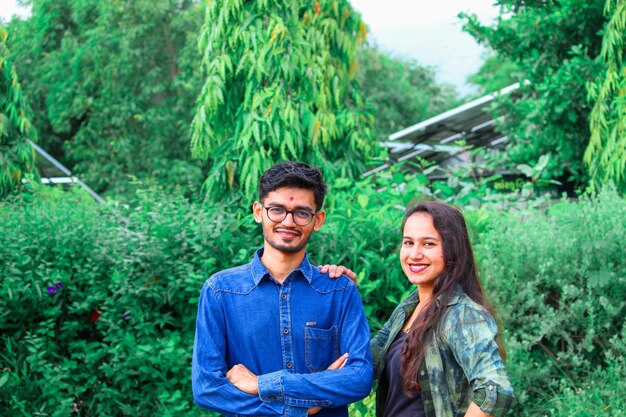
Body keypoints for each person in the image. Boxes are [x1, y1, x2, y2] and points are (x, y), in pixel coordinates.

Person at [192, 161, 373, 417]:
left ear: (317, 219)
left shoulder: (339, 291)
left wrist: (261, 385)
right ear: (258, 211)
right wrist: (299, 409)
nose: (288, 222)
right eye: (277, 210)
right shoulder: (221, 292)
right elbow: (207, 389)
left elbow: (359, 378)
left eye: (301, 212)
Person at [322, 200, 513, 417]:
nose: (414, 254)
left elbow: (495, 390)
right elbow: (363, 362)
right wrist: (337, 291)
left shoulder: (461, 314)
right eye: (408, 242)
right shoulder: (408, 309)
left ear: (452, 250)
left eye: (428, 244)